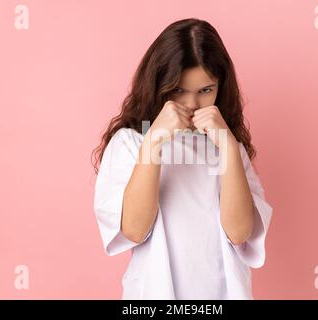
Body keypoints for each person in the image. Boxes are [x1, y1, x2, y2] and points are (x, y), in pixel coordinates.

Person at [91, 18, 273, 300]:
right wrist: (154, 140)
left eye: (205, 90)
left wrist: (227, 146)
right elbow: (135, 230)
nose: (191, 104)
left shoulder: (226, 147)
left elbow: (239, 233)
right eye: (178, 90)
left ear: (221, 87)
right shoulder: (131, 142)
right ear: (158, 84)